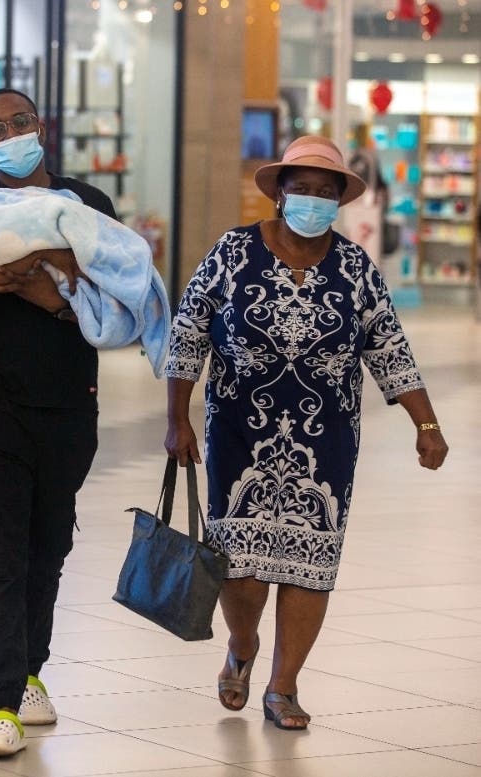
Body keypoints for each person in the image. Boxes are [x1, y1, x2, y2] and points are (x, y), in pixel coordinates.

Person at [164, 135, 448, 731]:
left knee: (309, 563)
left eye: (327, 192)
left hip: (326, 441)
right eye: (304, 190)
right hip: (237, 434)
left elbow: (390, 349)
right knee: (239, 565)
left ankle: (283, 687)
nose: (314, 201)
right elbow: (188, 331)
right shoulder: (232, 252)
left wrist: (426, 424)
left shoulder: (355, 268)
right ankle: (242, 648)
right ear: (280, 194)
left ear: (340, 201)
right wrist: (176, 419)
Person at [0, 88, 118, 758]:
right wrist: (41, 276)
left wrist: (19, 280)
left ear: (42, 125)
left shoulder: (87, 204)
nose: (9, 133)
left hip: (69, 398)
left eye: (19, 122)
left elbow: (106, 295)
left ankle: (32, 668)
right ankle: (1, 702)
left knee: (49, 541)